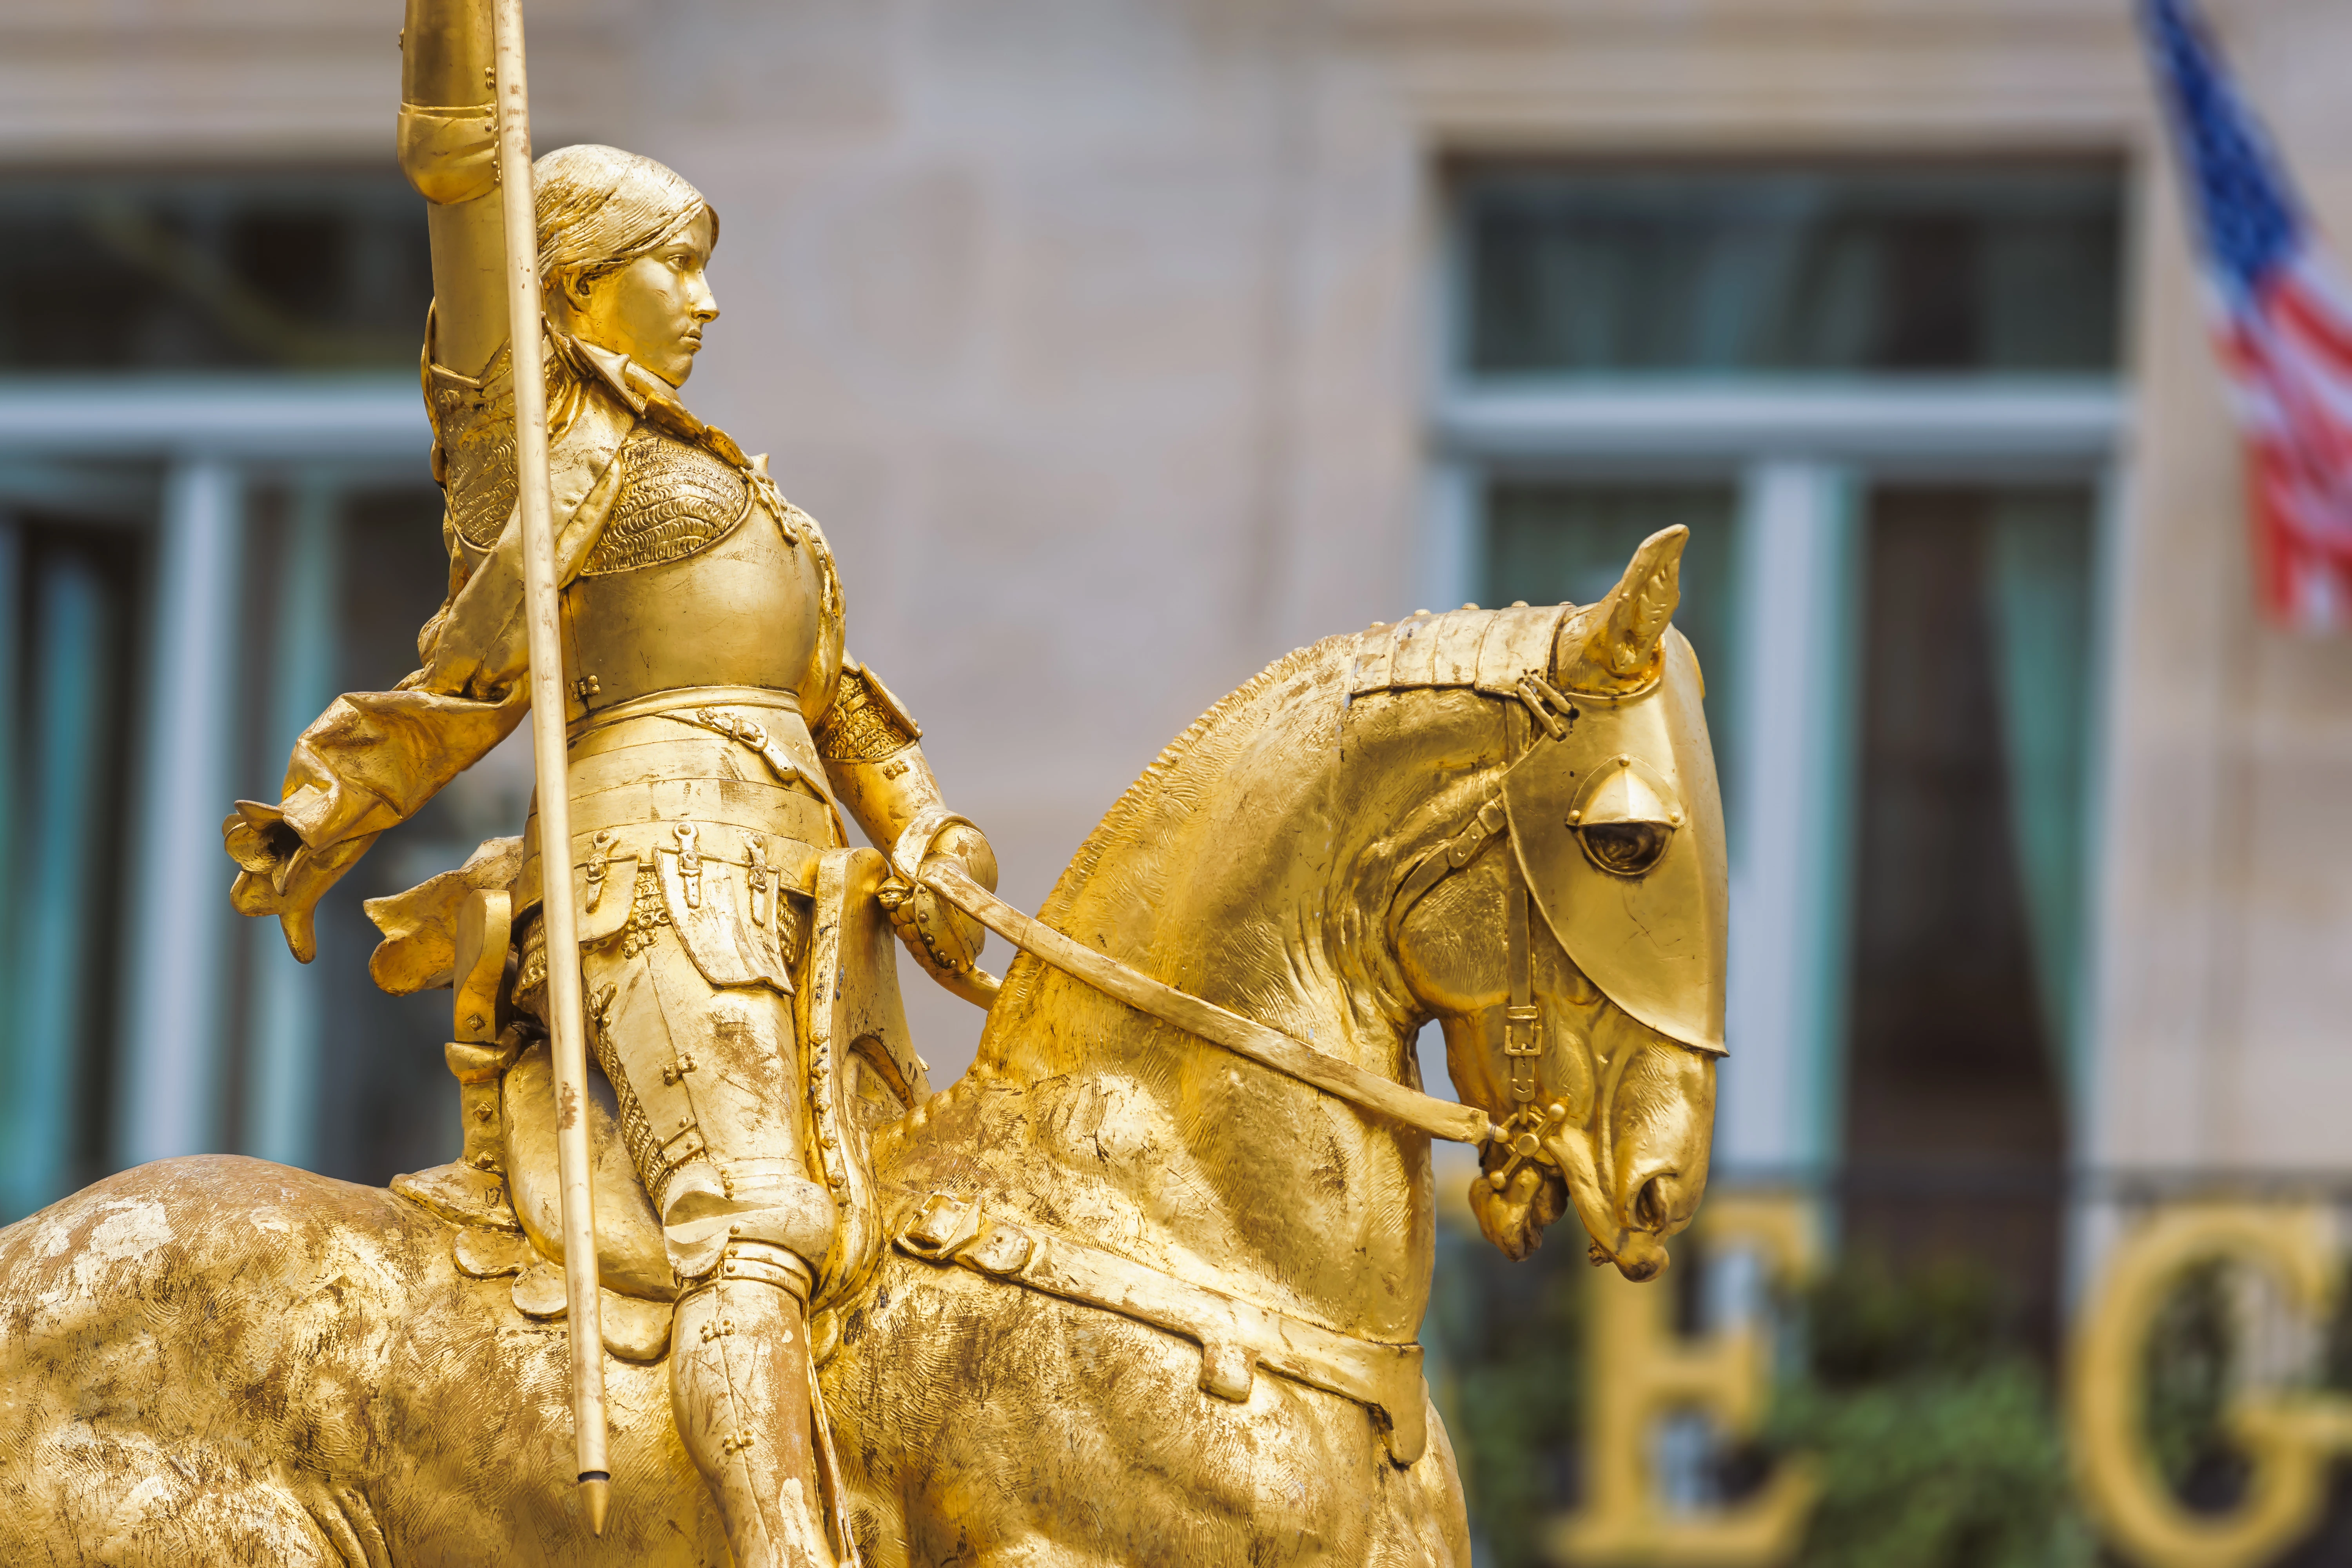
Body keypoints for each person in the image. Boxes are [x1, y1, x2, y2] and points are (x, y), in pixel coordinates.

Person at [220, 3, 998, 1562]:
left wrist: (928, 826)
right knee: (751, 1219)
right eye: (674, 264)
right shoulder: (536, 429)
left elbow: (841, 701)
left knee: (912, 1227)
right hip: (654, 874)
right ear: (572, 280)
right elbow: (462, 179)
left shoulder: (745, 486)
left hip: (807, 896)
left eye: (710, 268)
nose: (705, 303)